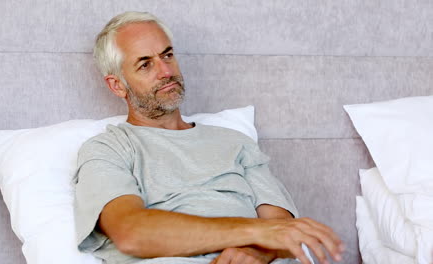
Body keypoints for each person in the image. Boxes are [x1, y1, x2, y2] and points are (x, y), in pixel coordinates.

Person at [74, 11, 345, 264]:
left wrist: (255, 252)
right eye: (145, 65)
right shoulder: (108, 149)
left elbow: (282, 227)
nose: (166, 71)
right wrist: (255, 233)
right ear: (117, 84)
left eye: (167, 55)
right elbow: (131, 232)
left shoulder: (234, 142)